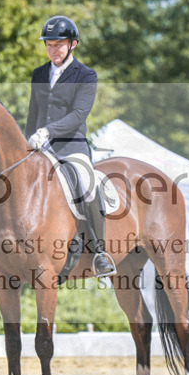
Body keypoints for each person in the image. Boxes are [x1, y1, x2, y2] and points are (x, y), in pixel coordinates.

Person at [25, 15, 116, 278]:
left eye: (58, 45)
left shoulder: (86, 75)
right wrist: (28, 142)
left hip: (72, 147)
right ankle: (2, 259)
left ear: (72, 44)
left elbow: (78, 115)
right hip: (41, 148)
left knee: (87, 186)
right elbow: (33, 114)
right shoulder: (39, 74)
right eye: (49, 45)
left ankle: (100, 252)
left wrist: (48, 131)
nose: (53, 50)